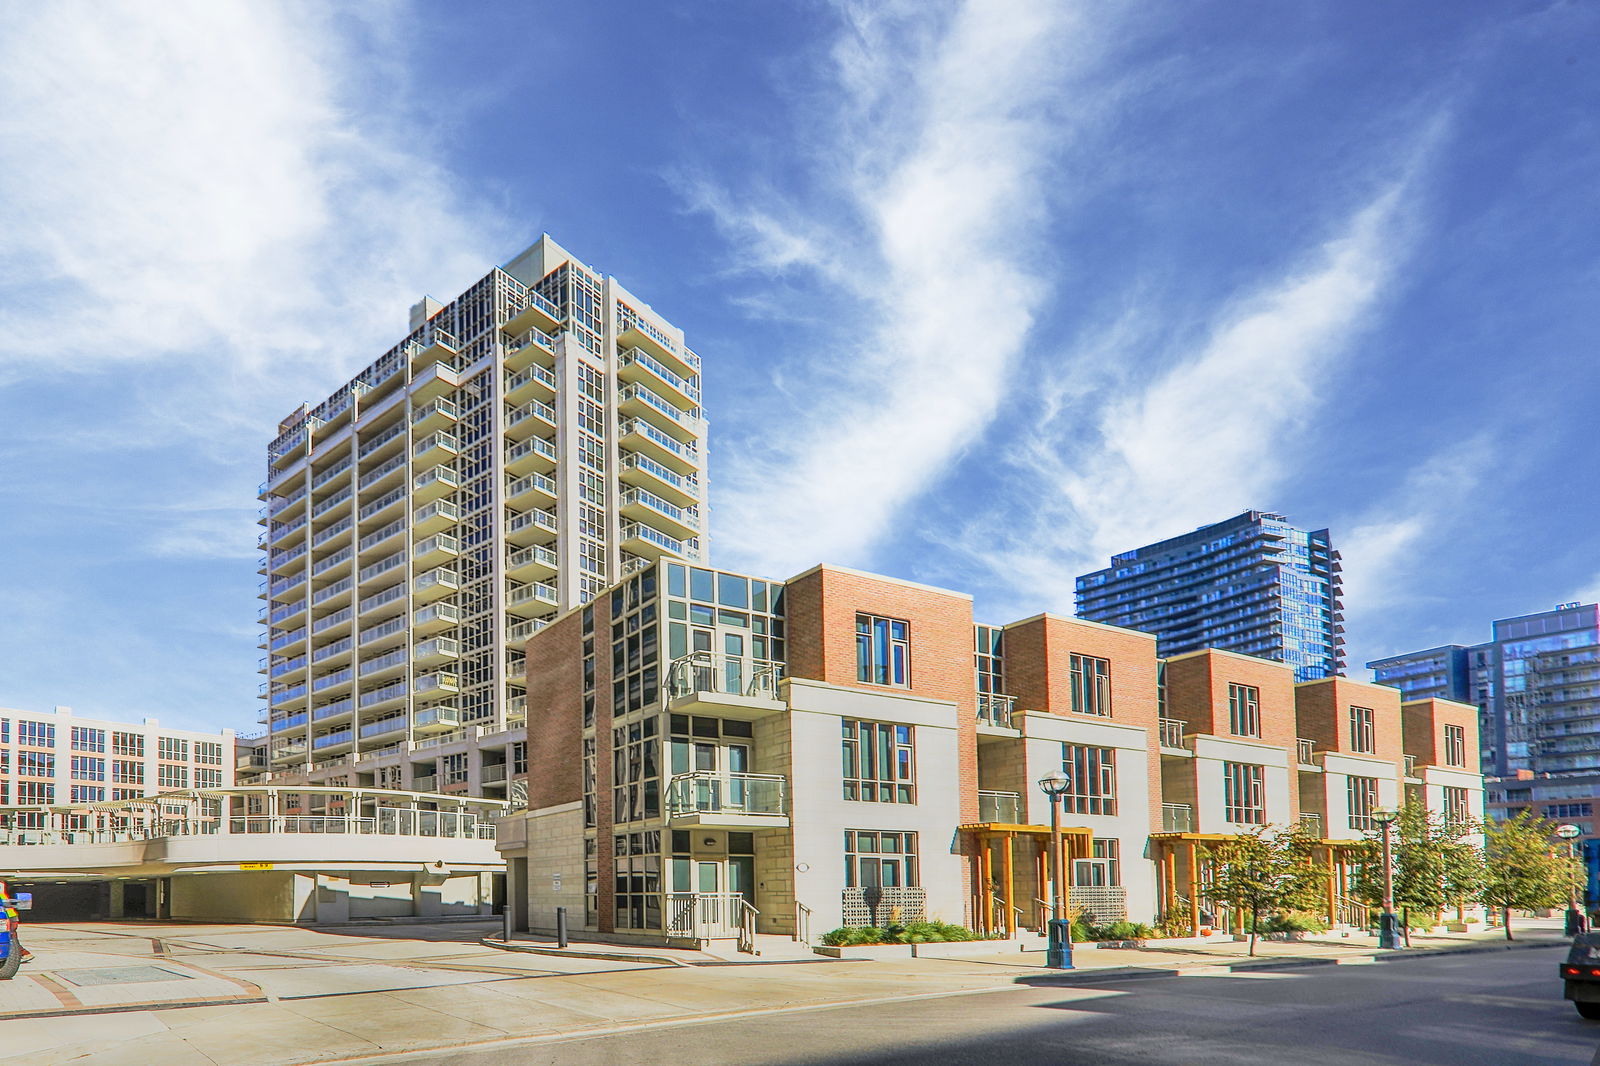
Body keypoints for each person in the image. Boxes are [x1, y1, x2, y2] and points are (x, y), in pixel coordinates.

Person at [0, 879, 33, 964]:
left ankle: (20, 953)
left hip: (7, 913)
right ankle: (20, 953)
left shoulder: (1, 883)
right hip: (7, 913)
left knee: (10, 935)